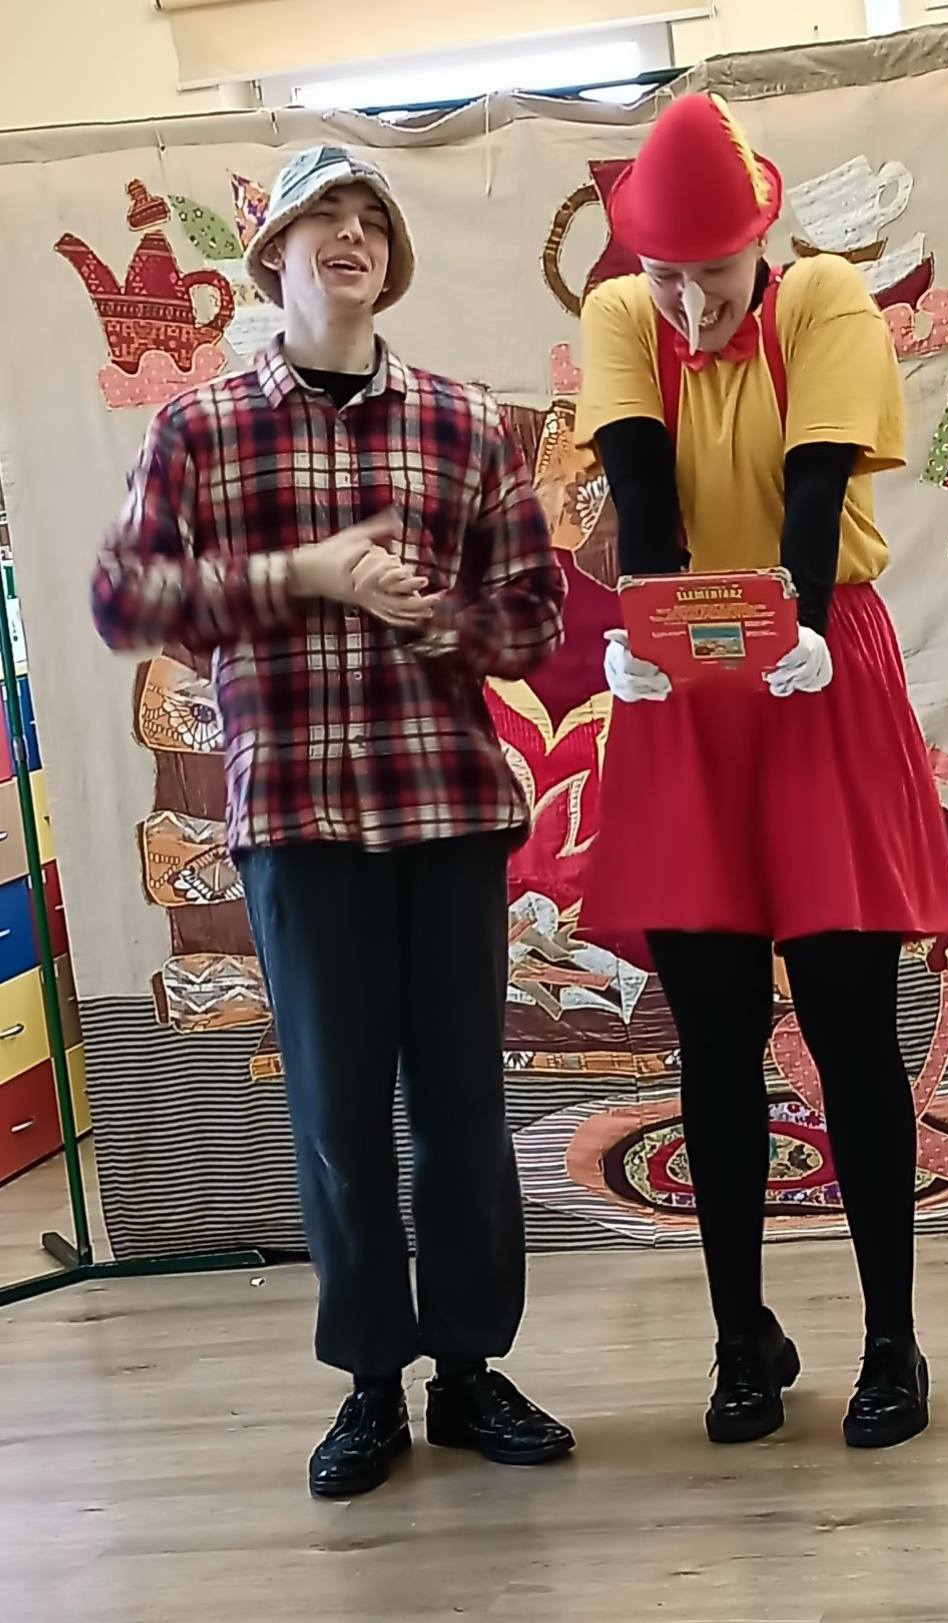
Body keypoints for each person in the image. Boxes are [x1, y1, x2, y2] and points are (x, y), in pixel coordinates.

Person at [91, 146, 574, 1498]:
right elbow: (129, 600)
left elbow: (535, 619)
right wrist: (303, 573)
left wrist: (439, 619)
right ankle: (371, 1384)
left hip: (446, 809)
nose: (351, 235)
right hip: (298, 823)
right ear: (275, 257)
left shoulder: (464, 425)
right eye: (323, 218)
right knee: (338, 1118)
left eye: (372, 220)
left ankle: (468, 1372)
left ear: (391, 260)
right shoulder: (200, 432)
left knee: (464, 1114)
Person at [576, 96, 948, 1450]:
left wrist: (794, 625)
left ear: (762, 242)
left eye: (715, 274)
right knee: (716, 1033)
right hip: (684, 684)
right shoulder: (622, 317)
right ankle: (742, 1339)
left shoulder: (825, 300)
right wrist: (640, 634)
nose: (690, 305)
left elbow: (813, 492)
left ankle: (892, 1344)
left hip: (817, 668)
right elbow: (643, 503)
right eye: (666, 275)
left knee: (850, 1025)